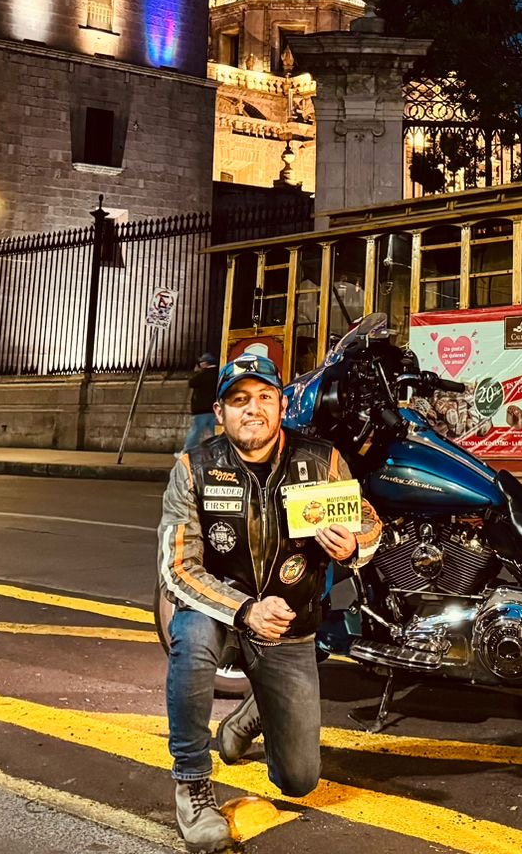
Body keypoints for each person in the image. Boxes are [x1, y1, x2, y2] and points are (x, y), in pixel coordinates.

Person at [158, 348, 382, 851]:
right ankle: (192, 783)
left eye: (263, 397)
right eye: (238, 400)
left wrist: (354, 546)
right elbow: (176, 567)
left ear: (281, 405)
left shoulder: (321, 460)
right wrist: (243, 609)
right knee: (189, 638)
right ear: (220, 413)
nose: (252, 409)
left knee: (299, 780)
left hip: (289, 630)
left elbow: (369, 522)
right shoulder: (193, 468)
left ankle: (253, 712)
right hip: (221, 616)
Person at [183, 353, 218, 451]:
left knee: (195, 432)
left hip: (201, 409)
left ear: (205, 363)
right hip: (213, 408)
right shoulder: (218, 373)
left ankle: (187, 452)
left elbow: (192, 383)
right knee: (216, 431)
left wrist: (197, 372)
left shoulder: (203, 374)